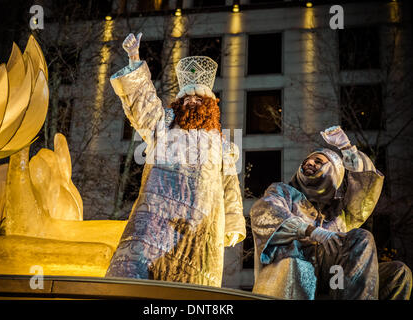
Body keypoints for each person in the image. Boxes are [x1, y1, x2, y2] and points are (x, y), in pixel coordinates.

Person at [105, 33, 246, 287]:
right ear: (179, 103)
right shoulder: (164, 125)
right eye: (186, 98)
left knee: (190, 283)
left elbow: (229, 184)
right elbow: (144, 103)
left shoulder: (222, 144)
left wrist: (233, 221)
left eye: (198, 98)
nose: (192, 101)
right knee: (135, 273)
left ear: (210, 105)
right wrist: (134, 58)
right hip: (156, 217)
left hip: (200, 224)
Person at [250, 126, 412, 299]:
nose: (309, 163)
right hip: (299, 266)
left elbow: (366, 190)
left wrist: (347, 149)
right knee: (361, 237)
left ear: (334, 172)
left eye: (318, 161)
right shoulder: (284, 191)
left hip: (337, 276)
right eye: (306, 161)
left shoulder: (341, 210)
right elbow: (265, 212)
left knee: (398, 273)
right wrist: (311, 231)